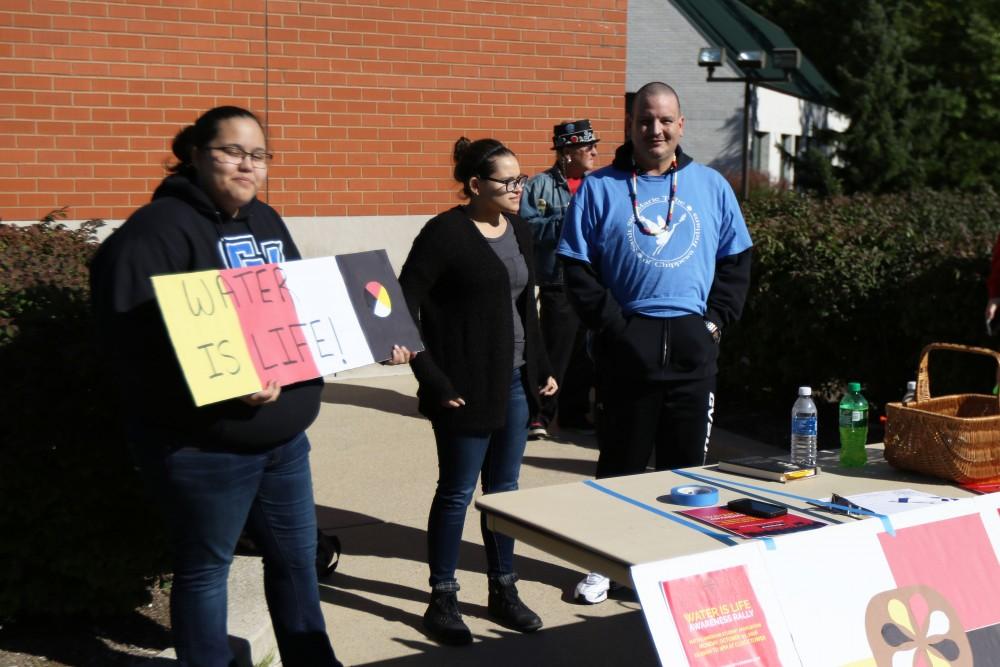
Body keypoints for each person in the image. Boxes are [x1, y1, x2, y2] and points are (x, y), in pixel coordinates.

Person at [90, 106, 412, 667]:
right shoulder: (154, 234)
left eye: (258, 155)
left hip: (284, 443)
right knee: (206, 571)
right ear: (194, 154)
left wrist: (363, 336)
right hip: (205, 449)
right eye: (232, 151)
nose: (248, 164)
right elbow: (128, 354)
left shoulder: (265, 220)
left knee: (296, 559)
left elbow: (297, 308)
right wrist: (223, 388)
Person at [556, 82, 753, 603]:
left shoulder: (710, 186)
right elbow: (575, 267)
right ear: (630, 126)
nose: (655, 129)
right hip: (627, 355)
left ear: (681, 126)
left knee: (687, 471)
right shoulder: (599, 189)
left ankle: (677, 569)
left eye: (665, 120)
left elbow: (737, 261)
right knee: (619, 467)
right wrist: (615, 328)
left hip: (693, 354)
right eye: (645, 120)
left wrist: (713, 322)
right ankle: (606, 565)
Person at [399, 137, 558, 645]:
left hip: (513, 380)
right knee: (456, 493)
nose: (518, 188)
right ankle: (442, 597)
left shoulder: (519, 230)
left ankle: (502, 589)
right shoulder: (444, 234)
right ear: (474, 185)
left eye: (521, 179)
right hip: (463, 387)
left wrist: (541, 365)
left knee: (504, 493)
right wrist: (433, 378)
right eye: (507, 181)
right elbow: (403, 304)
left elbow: (524, 306)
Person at [519, 120, 600, 439]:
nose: (594, 151)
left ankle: (575, 414)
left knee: (585, 353)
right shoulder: (539, 186)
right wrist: (564, 221)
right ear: (567, 152)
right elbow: (526, 226)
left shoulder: (599, 184)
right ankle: (540, 415)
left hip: (592, 282)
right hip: (557, 282)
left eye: (594, 145)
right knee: (555, 352)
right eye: (587, 147)